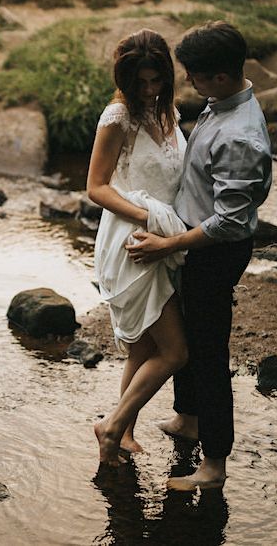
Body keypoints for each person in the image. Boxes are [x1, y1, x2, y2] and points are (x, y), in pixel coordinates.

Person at [126, 21, 272, 490]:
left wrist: (168, 243)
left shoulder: (240, 137)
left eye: (194, 75)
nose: (187, 82)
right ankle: (188, 418)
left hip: (214, 251)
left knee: (209, 354)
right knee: (188, 332)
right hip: (196, 240)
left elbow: (230, 221)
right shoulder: (222, 103)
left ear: (221, 77)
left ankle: (214, 467)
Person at [87, 29, 189, 467]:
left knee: (144, 349)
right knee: (174, 352)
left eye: (156, 80)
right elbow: (95, 187)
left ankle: (124, 431)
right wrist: (150, 219)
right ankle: (111, 426)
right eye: (140, 83)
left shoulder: (169, 111)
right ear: (126, 79)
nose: (149, 90)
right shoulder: (117, 117)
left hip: (168, 238)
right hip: (136, 240)